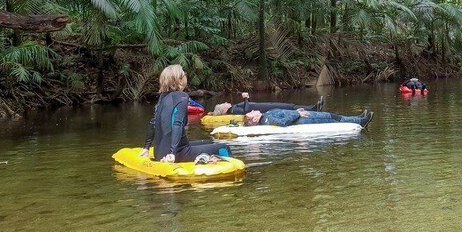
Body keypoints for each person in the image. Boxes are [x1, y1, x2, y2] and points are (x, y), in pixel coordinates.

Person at [140, 65, 231, 163]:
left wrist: (146, 148)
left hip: (159, 153)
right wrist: (172, 153)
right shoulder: (182, 96)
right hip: (177, 153)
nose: (186, 76)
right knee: (224, 148)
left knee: (212, 142)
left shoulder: (162, 97)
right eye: (185, 74)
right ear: (179, 80)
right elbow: (177, 124)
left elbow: (153, 123)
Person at [210, 92, 325, 116]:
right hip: (265, 109)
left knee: (290, 105)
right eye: (223, 104)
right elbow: (246, 110)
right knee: (290, 107)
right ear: (223, 110)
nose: (225, 102)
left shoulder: (233, 108)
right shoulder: (233, 110)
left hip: (264, 105)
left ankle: (312, 107)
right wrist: (246, 98)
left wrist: (247, 100)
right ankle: (313, 109)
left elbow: (247, 107)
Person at [243, 108, 374, 128]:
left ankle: (357, 118)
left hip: (303, 116)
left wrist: (296, 110)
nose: (253, 110)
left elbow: (284, 113)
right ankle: (361, 122)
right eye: (251, 113)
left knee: (334, 116)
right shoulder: (266, 120)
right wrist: (297, 114)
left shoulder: (266, 115)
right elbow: (283, 122)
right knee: (334, 118)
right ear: (254, 120)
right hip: (305, 120)